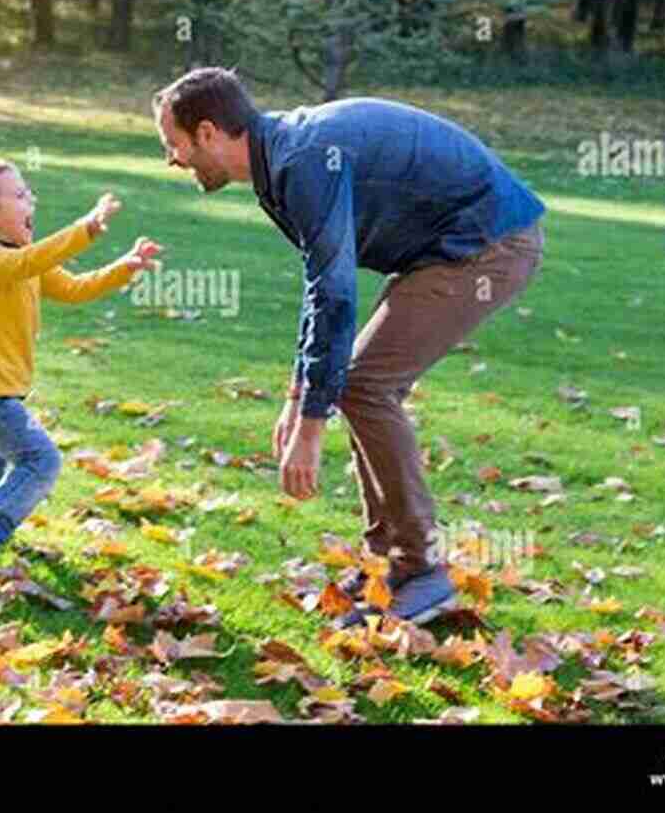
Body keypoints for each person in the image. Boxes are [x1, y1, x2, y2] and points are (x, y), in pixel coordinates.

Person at [151, 67, 546, 626]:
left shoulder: (302, 161)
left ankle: (422, 568)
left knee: (366, 385)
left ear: (209, 132)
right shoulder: (279, 161)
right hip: (443, 250)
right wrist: (298, 394)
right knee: (361, 384)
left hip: (488, 245)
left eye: (175, 144)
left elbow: (337, 292)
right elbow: (322, 289)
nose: (173, 159)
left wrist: (311, 428)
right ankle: (387, 564)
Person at [0, 158, 161, 586]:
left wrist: (124, 267)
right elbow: (35, 261)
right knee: (40, 458)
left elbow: (75, 288)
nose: (32, 199)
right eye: (21, 195)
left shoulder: (22, 260)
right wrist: (88, 228)